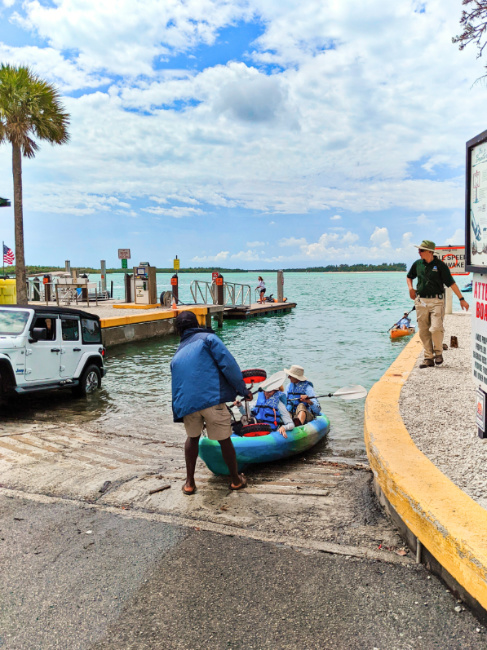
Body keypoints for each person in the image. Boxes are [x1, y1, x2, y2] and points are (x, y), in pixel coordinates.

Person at [171, 311, 251, 494]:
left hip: (187, 405)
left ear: (178, 330)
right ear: (196, 324)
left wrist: (178, 412)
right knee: (224, 440)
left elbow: (177, 387)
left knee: (192, 438)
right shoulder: (208, 338)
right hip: (211, 400)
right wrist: (242, 390)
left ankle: (189, 483)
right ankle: (235, 480)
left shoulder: (177, 354)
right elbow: (228, 365)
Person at [406, 240, 469, 368]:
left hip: (437, 301)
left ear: (429, 251)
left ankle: (438, 353)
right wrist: (410, 288)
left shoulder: (440, 265)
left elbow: (451, 283)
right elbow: (409, 276)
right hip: (420, 301)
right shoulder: (417, 264)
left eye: (421, 250)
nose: (419, 252)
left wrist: (461, 298)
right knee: (423, 331)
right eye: (419, 250)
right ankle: (428, 358)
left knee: (435, 328)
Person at [235, 371, 294, 438]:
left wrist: (284, 427)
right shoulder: (260, 400)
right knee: (236, 427)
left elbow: (291, 424)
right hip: (257, 428)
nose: (266, 394)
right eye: (265, 391)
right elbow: (248, 414)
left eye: (269, 392)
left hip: (269, 431)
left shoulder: (279, 404)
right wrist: (240, 406)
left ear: (275, 392)